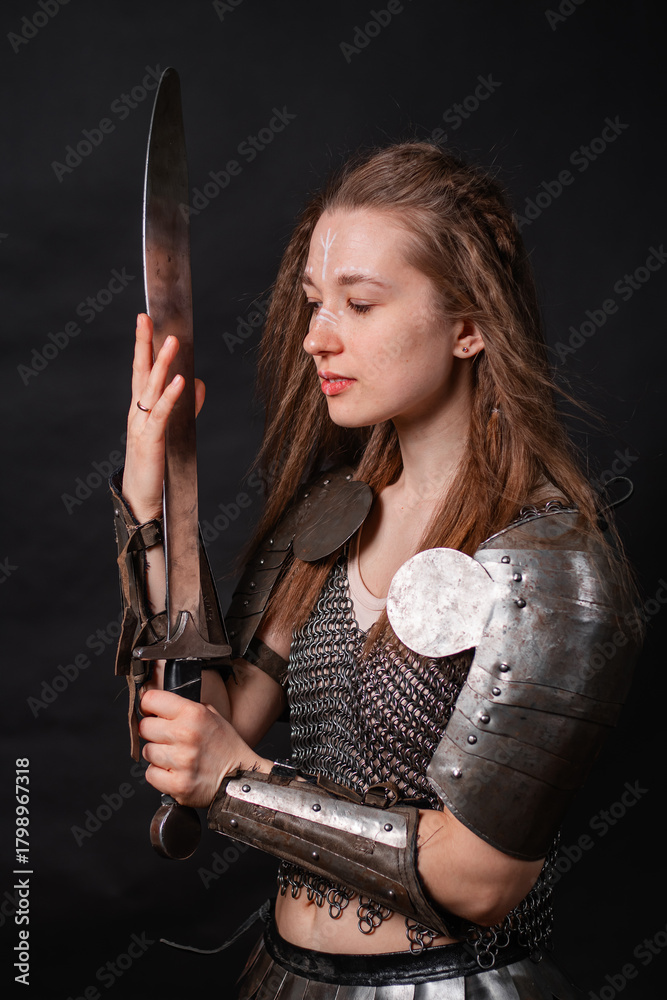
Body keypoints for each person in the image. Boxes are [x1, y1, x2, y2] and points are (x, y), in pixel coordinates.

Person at [111, 143, 639, 999]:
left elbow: (480, 876)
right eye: (314, 303)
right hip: (283, 981)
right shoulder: (327, 515)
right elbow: (209, 718)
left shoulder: (550, 561)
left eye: (358, 304)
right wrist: (154, 503)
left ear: (468, 325)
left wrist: (238, 782)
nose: (316, 337)